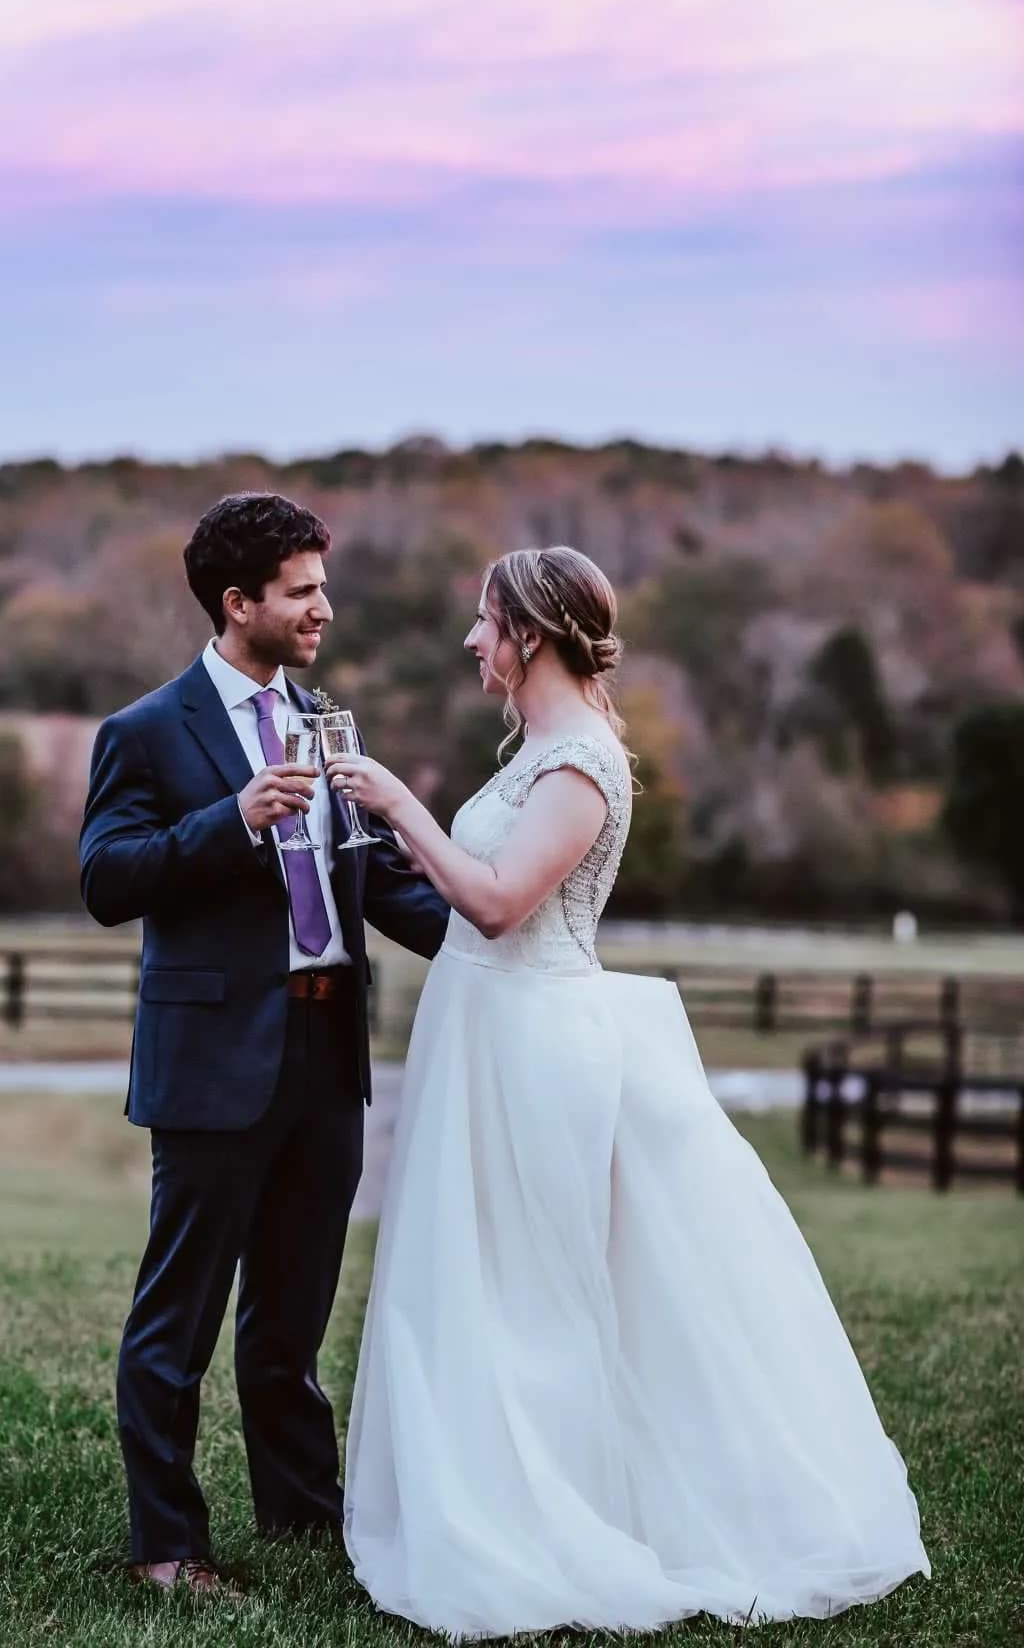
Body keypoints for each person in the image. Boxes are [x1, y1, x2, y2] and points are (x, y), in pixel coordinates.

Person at [328, 545, 930, 1639]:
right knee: (482, 1279)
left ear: (533, 634)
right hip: (484, 1033)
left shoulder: (579, 764)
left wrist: (398, 805)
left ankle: (558, 1512)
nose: (471, 640)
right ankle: (482, 1485)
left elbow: (505, 904)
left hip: (533, 1043)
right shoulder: (538, 751)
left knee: (540, 1289)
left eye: (484, 621)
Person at [78, 491, 449, 1595]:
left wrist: (493, 931)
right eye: (303, 591)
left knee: (290, 1320)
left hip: (327, 1055)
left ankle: (300, 1519)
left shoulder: (328, 720)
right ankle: (168, 1549)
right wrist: (229, 819)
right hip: (211, 1061)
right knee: (176, 1323)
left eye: (321, 586)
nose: (324, 608)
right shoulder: (145, 732)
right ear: (238, 604)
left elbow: (372, 875)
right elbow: (107, 877)